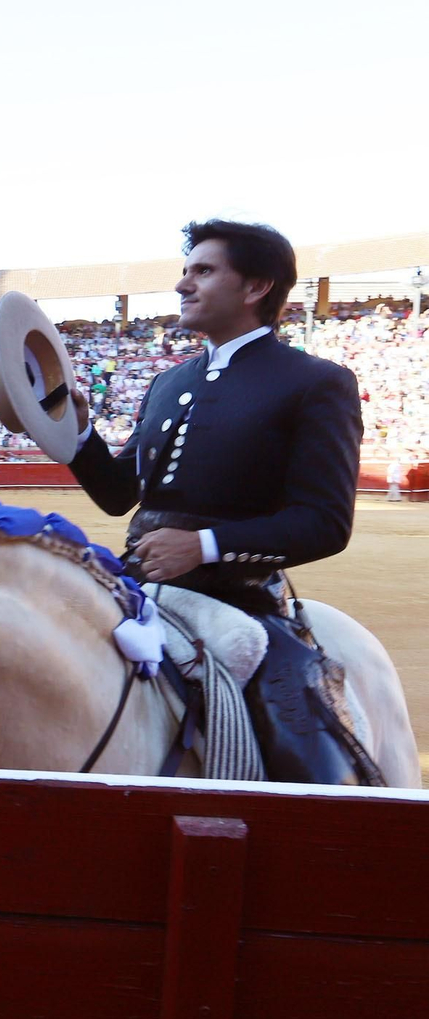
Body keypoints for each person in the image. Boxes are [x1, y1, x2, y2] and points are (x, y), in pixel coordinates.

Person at [67, 219, 376, 785]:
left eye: (203, 272)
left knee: (307, 748)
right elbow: (118, 496)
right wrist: (74, 432)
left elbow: (325, 523)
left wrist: (203, 547)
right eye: (185, 272)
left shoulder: (315, 381)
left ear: (256, 287)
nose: (183, 285)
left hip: (240, 599)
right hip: (139, 584)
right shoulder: (168, 382)